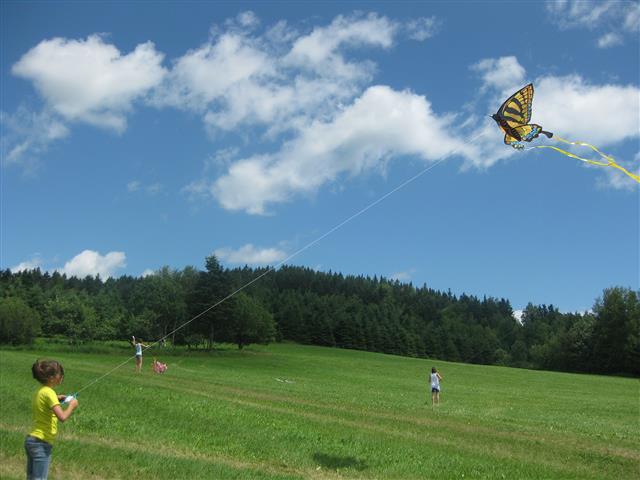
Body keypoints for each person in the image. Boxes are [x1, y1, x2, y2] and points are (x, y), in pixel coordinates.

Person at [26, 359, 79, 480]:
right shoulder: (49, 393)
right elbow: (62, 417)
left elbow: (46, 404)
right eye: (60, 374)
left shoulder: (40, 392)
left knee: (31, 477)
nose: (61, 376)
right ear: (51, 377)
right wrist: (72, 405)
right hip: (41, 443)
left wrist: (57, 398)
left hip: (31, 440)